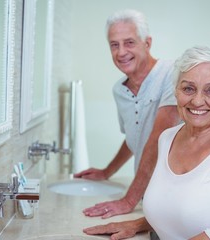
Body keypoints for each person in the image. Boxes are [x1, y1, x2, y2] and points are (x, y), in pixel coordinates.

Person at [82, 46, 210, 239]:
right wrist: (139, 224)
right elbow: (176, 207)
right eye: (188, 88)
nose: (197, 101)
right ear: (176, 92)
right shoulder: (167, 138)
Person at [73, 9, 180, 218]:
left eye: (129, 42)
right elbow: (134, 137)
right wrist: (107, 171)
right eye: (114, 44)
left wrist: (128, 200)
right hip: (146, 199)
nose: (121, 52)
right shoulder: (119, 90)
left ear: (147, 43)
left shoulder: (172, 74)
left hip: (174, 199)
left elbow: (158, 138)